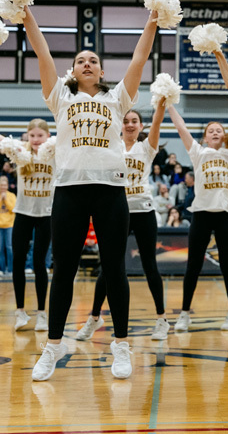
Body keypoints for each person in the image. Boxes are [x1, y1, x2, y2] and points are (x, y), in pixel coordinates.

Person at [21, 2, 159, 381]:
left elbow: (140, 57)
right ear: (74, 70)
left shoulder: (117, 100)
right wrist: (27, 14)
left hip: (111, 190)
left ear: (101, 71)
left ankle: (121, 344)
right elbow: (42, 51)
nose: (85, 63)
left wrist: (151, 22)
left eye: (92, 60)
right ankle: (52, 346)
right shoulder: (60, 99)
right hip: (68, 191)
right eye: (80, 59)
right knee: (62, 269)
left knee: (115, 269)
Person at [76, 104, 169, 342]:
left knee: (150, 265)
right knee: (109, 265)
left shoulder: (146, 148)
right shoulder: (110, 145)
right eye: (126, 120)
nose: (129, 124)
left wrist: (160, 105)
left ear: (140, 126)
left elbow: (157, 121)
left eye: (134, 121)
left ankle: (162, 320)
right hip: (117, 209)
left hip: (144, 210)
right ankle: (95, 318)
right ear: (120, 124)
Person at [168, 104, 228, 332]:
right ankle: (184, 314)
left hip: (223, 216)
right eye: (210, 130)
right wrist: (169, 103)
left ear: (224, 134)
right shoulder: (198, 152)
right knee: (193, 266)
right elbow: (181, 128)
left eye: (218, 129)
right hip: (200, 215)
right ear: (205, 137)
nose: (214, 132)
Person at [3, 119, 56, 332]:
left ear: (47, 136)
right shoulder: (20, 153)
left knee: (39, 263)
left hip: (46, 214)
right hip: (23, 213)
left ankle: (42, 313)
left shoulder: (54, 152)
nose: (35, 140)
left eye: (40, 136)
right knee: (17, 261)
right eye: (32, 135)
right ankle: (20, 311)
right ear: (27, 136)